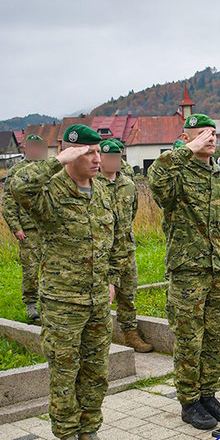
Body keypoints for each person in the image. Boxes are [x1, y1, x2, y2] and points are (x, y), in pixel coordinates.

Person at [9, 124, 130, 440]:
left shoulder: (104, 192)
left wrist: (111, 278)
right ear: (70, 154)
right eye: (88, 153)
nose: (96, 158)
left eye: (97, 152)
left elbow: (119, 237)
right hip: (62, 301)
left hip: (96, 298)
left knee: (96, 372)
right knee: (65, 373)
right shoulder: (48, 191)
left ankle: (90, 437)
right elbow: (18, 185)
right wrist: (59, 159)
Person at [147, 114, 220, 430]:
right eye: (201, 134)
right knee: (189, 339)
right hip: (188, 271)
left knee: (216, 336)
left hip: (216, 270)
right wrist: (186, 151)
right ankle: (189, 401)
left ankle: (207, 394)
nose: (210, 138)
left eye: (212, 133)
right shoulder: (177, 174)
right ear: (185, 140)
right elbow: (155, 176)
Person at [95, 139, 152, 353]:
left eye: (117, 158)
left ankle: (130, 334)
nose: (113, 162)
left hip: (126, 251)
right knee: (102, 297)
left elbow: (132, 213)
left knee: (128, 295)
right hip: (103, 254)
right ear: (101, 158)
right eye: (109, 157)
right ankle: (100, 340)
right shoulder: (94, 185)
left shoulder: (128, 184)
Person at [3, 133, 47, 321]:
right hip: (28, 230)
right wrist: (16, 227)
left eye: (39, 147)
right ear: (25, 148)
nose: (36, 151)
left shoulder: (47, 169)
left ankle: (48, 302)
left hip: (47, 228)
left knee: (50, 268)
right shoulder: (17, 171)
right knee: (31, 269)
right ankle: (30, 303)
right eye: (33, 147)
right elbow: (8, 202)